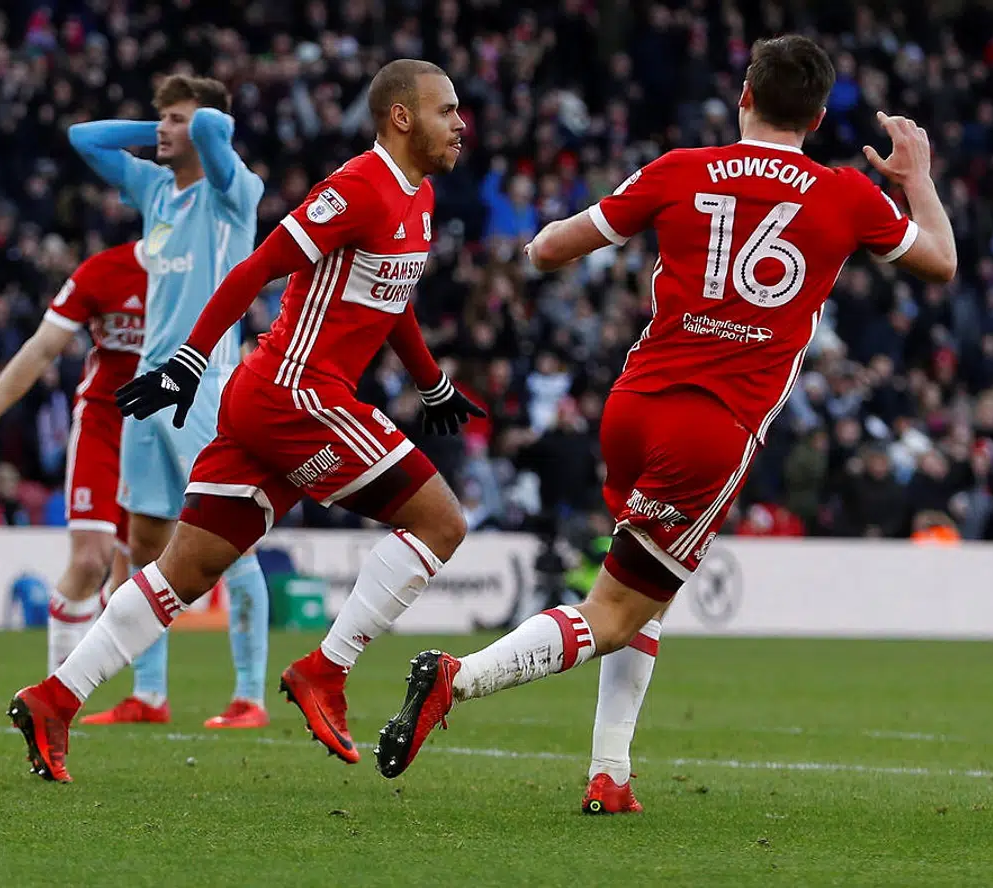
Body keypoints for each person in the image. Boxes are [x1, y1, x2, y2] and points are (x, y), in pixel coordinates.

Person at [370, 35, 958, 813]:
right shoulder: (846, 195)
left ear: (744, 95)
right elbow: (942, 261)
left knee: (650, 587)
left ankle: (609, 773)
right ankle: (459, 679)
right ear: (817, 116)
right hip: (711, 431)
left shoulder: (682, 168)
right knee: (613, 613)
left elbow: (547, 247)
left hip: (633, 406)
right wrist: (915, 177)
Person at [7, 58, 483, 782]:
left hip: (270, 401)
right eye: (448, 110)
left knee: (181, 573)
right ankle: (326, 670)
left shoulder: (418, 201)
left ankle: (54, 698)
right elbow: (255, 268)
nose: (462, 124)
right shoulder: (358, 186)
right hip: (297, 394)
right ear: (402, 117)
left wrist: (432, 383)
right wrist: (192, 360)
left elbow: (397, 302)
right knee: (442, 523)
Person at [59, 73, 273, 729]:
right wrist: (157, 129)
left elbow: (212, 131)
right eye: (163, 119)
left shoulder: (233, 191)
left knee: (229, 539)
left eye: (176, 120)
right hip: (145, 389)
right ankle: (149, 693)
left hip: (203, 384)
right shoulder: (156, 189)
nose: (166, 130)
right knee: (144, 541)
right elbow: (82, 138)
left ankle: (249, 696)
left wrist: (201, 122)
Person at [0, 243, 144, 676]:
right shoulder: (105, 271)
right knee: (89, 561)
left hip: (163, 433)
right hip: (104, 424)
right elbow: (41, 348)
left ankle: (143, 691)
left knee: (139, 580)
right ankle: (56, 692)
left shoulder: (203, 275)